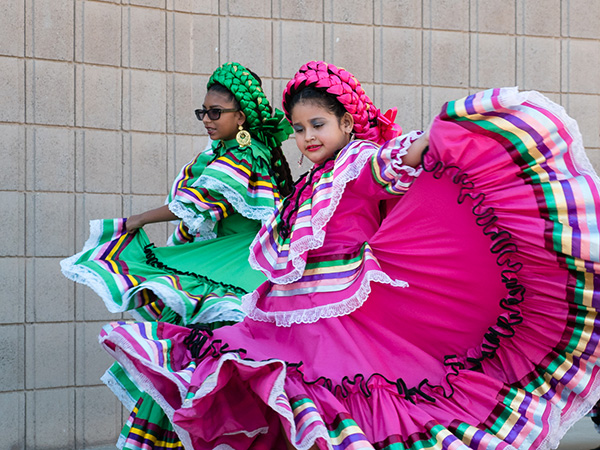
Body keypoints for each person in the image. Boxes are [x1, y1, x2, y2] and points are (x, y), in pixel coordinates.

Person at [99, 61, 600, 449]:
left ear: (345, 121)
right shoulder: (314, 179)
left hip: (335, 327)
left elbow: (396, 159)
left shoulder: (358, 163)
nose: (307, 137)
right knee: (221, 382)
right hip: (284, 318)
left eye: (317, 123)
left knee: (339, 417)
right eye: (298, 128)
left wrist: (444, 129)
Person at [61, 62, 294, 449]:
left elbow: (197, 203)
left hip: (236, 269)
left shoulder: (244, 151)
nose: (206, 119)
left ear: (241, 117)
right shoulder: (236, 148)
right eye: (202, 111)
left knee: (194, 362)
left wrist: (137, 219)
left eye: (215, 112)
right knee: (195, 363)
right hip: (236, 266)